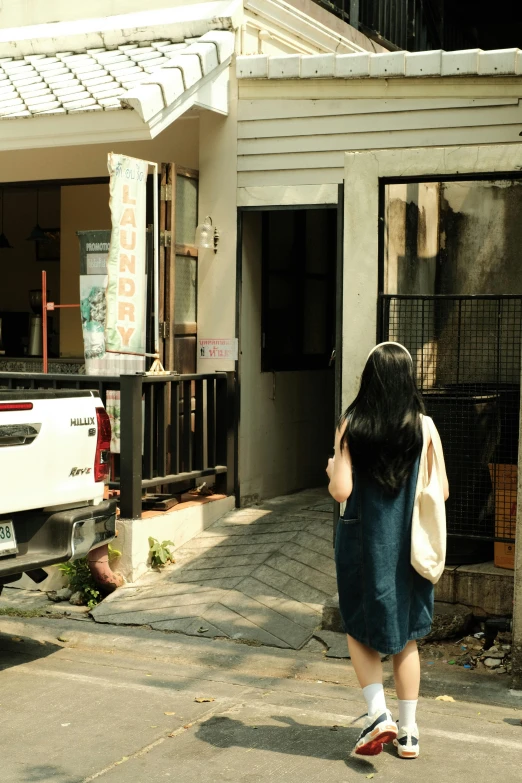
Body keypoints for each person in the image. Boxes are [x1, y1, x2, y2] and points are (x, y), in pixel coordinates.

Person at [326, 342, 449, 760]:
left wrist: (331, 470)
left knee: (360, 628)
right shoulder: (425, 426)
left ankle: (379, 714)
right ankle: (409, 732)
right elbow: (442, 491)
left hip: (362, 542)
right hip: (409, 545)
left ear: (369, 378)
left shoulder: (352, 423)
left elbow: (341, 490)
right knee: (406, 636)